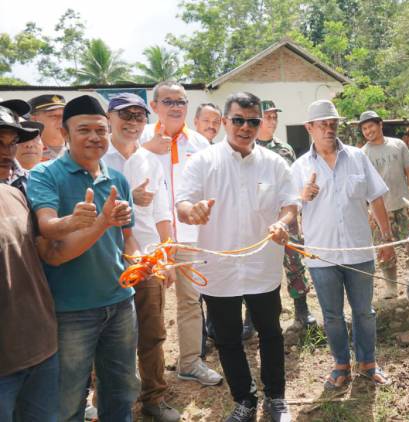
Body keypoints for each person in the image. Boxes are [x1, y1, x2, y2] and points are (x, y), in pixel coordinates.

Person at [176, 92, 295, 422]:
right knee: (227, 338)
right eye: (238, 120)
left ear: (260, 123)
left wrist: (283, 223)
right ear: (225, 121)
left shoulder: (275, 163)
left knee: (270, 332)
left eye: (253, 121)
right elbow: (183, 204)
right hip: (219, 267)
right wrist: (193, 212)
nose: (246, 127)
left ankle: (276, 399)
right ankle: (244, 399)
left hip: (263, 265)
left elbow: (290, 205)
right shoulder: (203, 161)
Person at [26, 95, 140, 421]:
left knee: (121, 388)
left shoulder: (117, 180)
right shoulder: (45, 175)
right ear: (64, 133)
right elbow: (48, 230)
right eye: (84, 130)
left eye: (101, 130)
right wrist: (79, 221)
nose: (94, 137)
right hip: (71, 310)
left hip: (120, 302)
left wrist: (143, 261)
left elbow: (127, 240)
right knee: (68, 397)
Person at [290, 100, 394, 389]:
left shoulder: (358, 158)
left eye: (332, 123)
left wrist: (386, 240)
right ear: (309, 128)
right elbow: (288, 208)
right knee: (332, 315)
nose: (328, 128)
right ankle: (340, 365)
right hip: (322, 256)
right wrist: (302, 196)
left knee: (364, 312)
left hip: (359, 250)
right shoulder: (299, 167)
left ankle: (368, 363)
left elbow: (376, 197)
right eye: (322, 123)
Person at [139, 81, 222, 386]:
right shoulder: (140, 139)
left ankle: (189, 362)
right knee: (148, 307)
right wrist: (146, 149)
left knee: (190, 300)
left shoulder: (200, 143)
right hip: (148, 238)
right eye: (168, 101)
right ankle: (145, 374)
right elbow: (119, 169)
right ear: (154, 106)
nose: (176, 107)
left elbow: (213, 186)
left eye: (181, 101)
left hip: (190, 236)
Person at [105, 93, 181, 422]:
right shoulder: (96, 157)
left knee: (152, 334)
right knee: (109, 337)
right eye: (126, 115)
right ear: (110, 118)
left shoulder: (149, 160)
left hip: (148, 259)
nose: (133, 122)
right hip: (107, 261)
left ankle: (154, 398)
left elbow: (163, 210)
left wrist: (168, 254)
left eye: (139, 116)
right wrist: (129, 198)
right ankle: (114, 402)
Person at [0, 106, 59, 422]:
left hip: (41, 349)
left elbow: (47, 255)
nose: (7, 153)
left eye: (11, 143)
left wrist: (95, 224)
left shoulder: (14, 194)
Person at [255, 99, 316, 328]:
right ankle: (252, 318)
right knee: (256, 265)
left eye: (275, 116)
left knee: (294, 261)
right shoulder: (249, 148)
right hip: (259, 217)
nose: (273, 120)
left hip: (286, 215)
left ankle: (302, 309)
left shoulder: (285, 149)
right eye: (268, 116)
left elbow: (292, 183)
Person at [359, 110, 409, 298]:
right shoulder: (362, 154)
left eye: (371, 126)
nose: (368, 131)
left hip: (403, 205)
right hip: (379, 211)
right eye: (364, 128)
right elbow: (363, 185)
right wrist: (367, 210)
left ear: (380, 125)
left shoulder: (398, 145)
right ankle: (391, 288)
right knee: (384, 250)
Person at [28, 94, 67, 161]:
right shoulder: (24, 153)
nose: (61, 120)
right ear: (34, 120)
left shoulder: (79, 150)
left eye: (64, 115)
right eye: (54, 116)